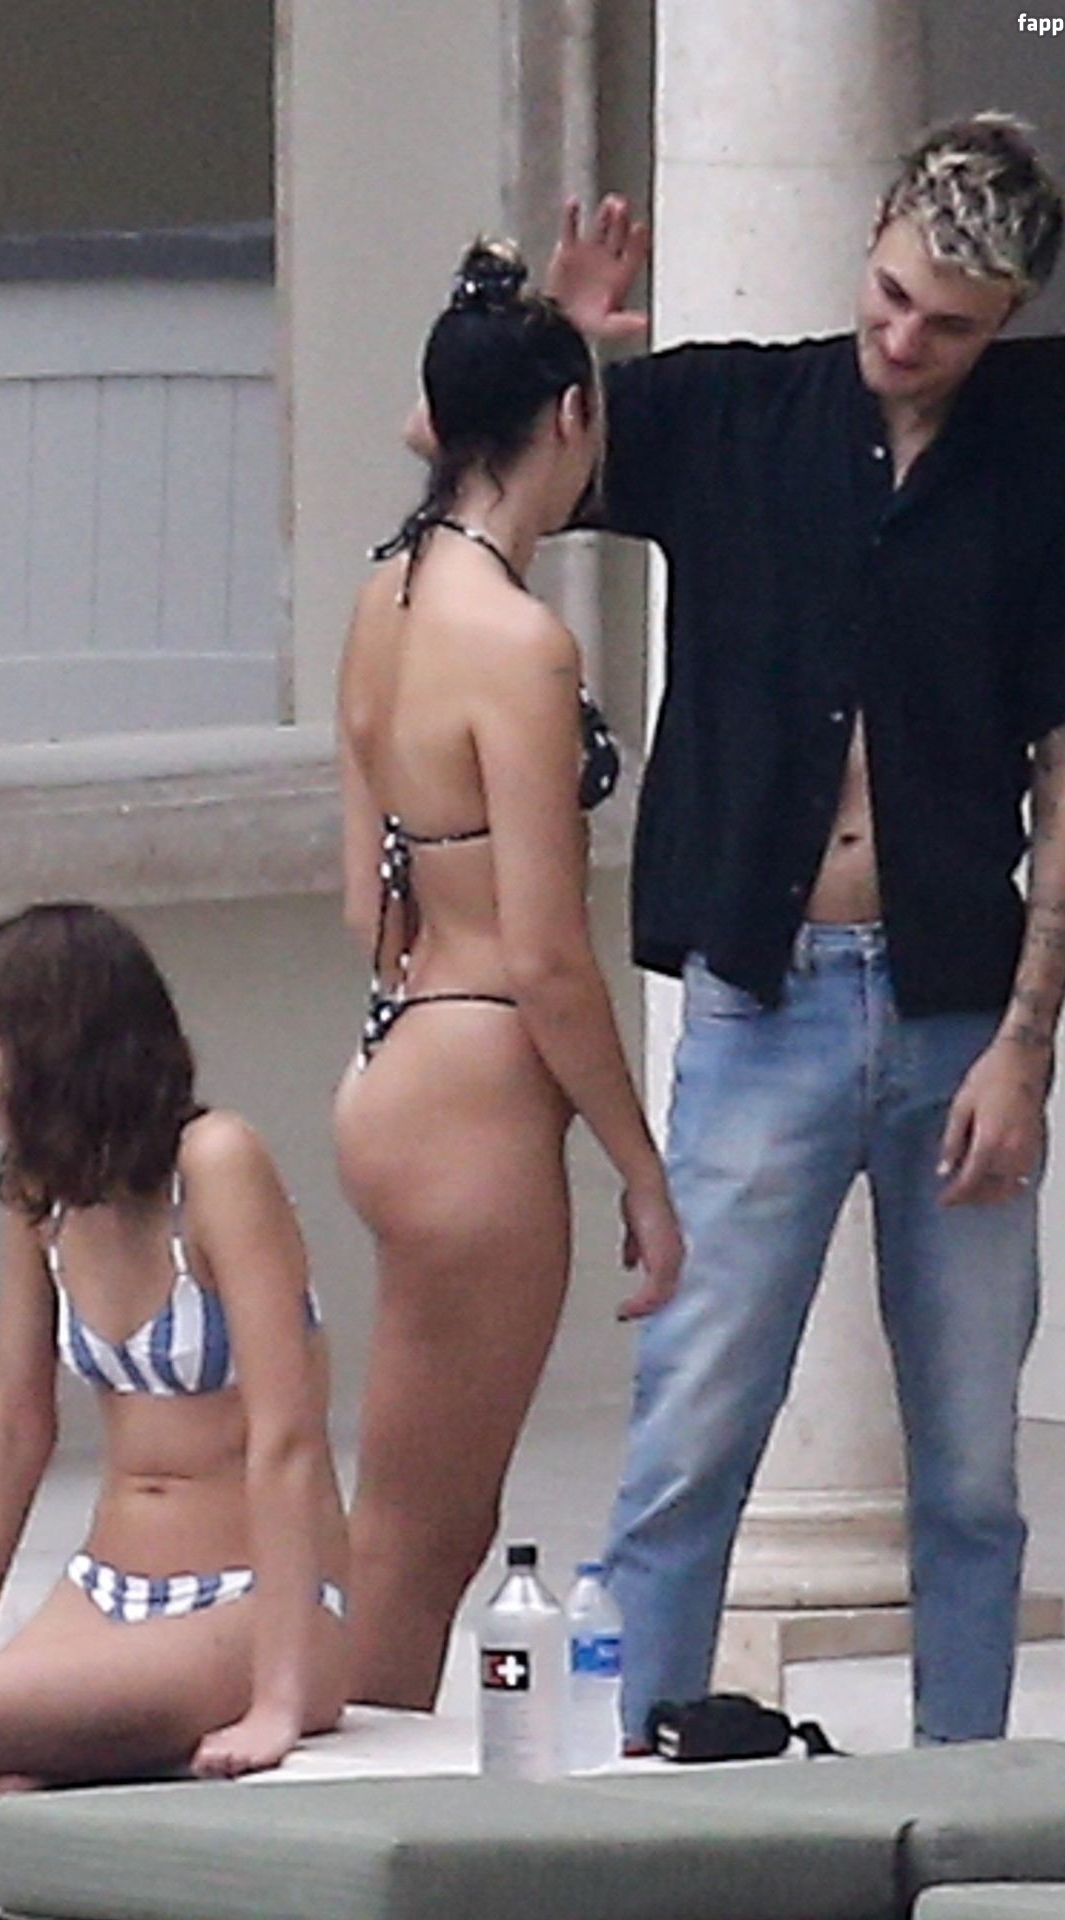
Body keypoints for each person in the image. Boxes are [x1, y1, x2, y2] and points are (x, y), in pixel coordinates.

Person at [542, 115, 1065, 1746]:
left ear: (1005, 319)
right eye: (889, 296)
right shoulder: (739, 412)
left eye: (946, 323)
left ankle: (963, 1793)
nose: (901, 338)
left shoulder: (1044, 478)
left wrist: (1026, 1047)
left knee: (968, 1464)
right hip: (766, 997)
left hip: (956, 1002)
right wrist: (555, 350)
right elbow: (463, 456)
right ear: (871, 237)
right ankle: (650, 1775)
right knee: (692, 1429)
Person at [334, 240, 683, 1710]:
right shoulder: (525, 647)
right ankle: (337, 1792)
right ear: (571, 418)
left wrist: (545, 327)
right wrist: (642, 1170)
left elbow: (365, 894)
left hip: (398, 1053)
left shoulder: (389, 595)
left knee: (428, 1515)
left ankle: (349, 1765)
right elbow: (548, 956)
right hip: (481, 1089)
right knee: (418, 1535)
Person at [0, 902, 349, 1849]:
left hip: (251, 1602)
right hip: (105, 1594)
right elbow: (16, 1421)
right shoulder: (43, 1187)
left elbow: (289, 1435)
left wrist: (278, 1700)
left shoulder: (216, 1162)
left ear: (43, 1045)